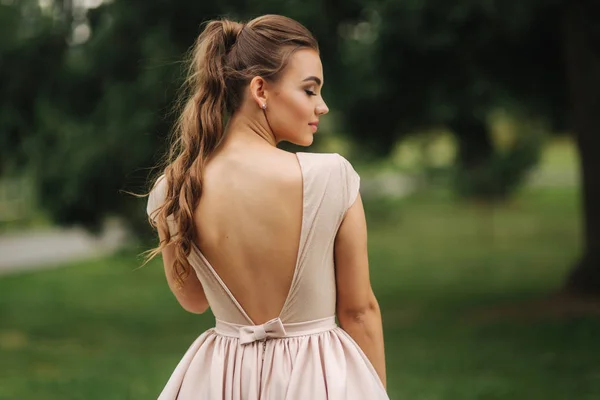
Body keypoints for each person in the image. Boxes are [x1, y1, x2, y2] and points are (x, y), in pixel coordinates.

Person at [145, 14, 389, 399]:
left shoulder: (173, 190)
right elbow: (359, 312)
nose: (321, 106)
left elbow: (193, 300)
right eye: (310, 90)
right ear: (261, 90)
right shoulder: (330, 178)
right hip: (318, 378)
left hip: (222, 379)